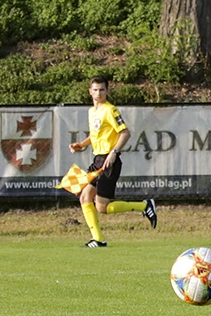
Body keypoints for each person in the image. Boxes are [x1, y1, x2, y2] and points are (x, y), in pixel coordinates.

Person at [68, 75, 158, 247]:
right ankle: (98, 240)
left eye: (102, 89)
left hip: (109, 161)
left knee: (102, 208)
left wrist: (114, 152)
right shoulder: (92, 111)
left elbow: (125, 133)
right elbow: (95, 135)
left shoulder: (110, 110)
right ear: (90, 91)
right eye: (95, 89)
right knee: (84, 197)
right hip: (98, 160)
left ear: (107, 91)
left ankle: (144, 206)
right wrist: (81, 144)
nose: (98, 93)